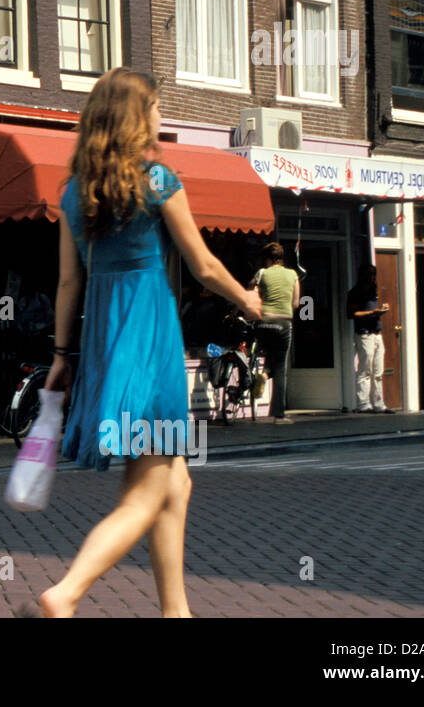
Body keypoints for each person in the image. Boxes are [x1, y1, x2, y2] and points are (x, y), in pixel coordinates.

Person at [19, 69, 262, 619]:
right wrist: (248, 299)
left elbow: (68, 284)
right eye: (153, 107)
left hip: (106, 347)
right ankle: (66, 594)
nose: (159, 117)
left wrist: (61, 357)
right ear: (134, 117)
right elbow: (201, 264)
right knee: (145, 492)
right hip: (150, 350)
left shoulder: (75, 193)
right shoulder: (157, 181)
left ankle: (176, 613)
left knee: (175, 482)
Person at [251, 242, 299, 425]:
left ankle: (261, 373)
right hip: (283, 322)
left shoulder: (262, 273)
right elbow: (296, 303)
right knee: (280, 368)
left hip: (263, 321)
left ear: (268, 259)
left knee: (265, 352)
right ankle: (279, 415)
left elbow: (252, 293)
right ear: (281, 257)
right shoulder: (292, 275)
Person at [346, 263, 393, 413]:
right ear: (363, 276)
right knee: (365, 369)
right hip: (364, 332)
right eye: (369, 275)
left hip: (376, 332)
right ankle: (363, 404)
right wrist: (374, 313)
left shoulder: (374, 291)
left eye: (373, 275)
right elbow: (351, 314)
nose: (372, 278)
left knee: (378, 370)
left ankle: (379, 403)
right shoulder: (355, 292)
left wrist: (381, 309)